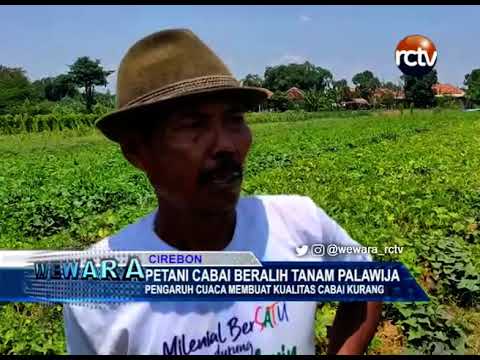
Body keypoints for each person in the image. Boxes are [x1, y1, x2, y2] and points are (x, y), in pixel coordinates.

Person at [63, 28, 382, 355]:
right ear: (136, 152)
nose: (227, 145)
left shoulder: (300, 225)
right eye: (193, 125)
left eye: (234, 119)